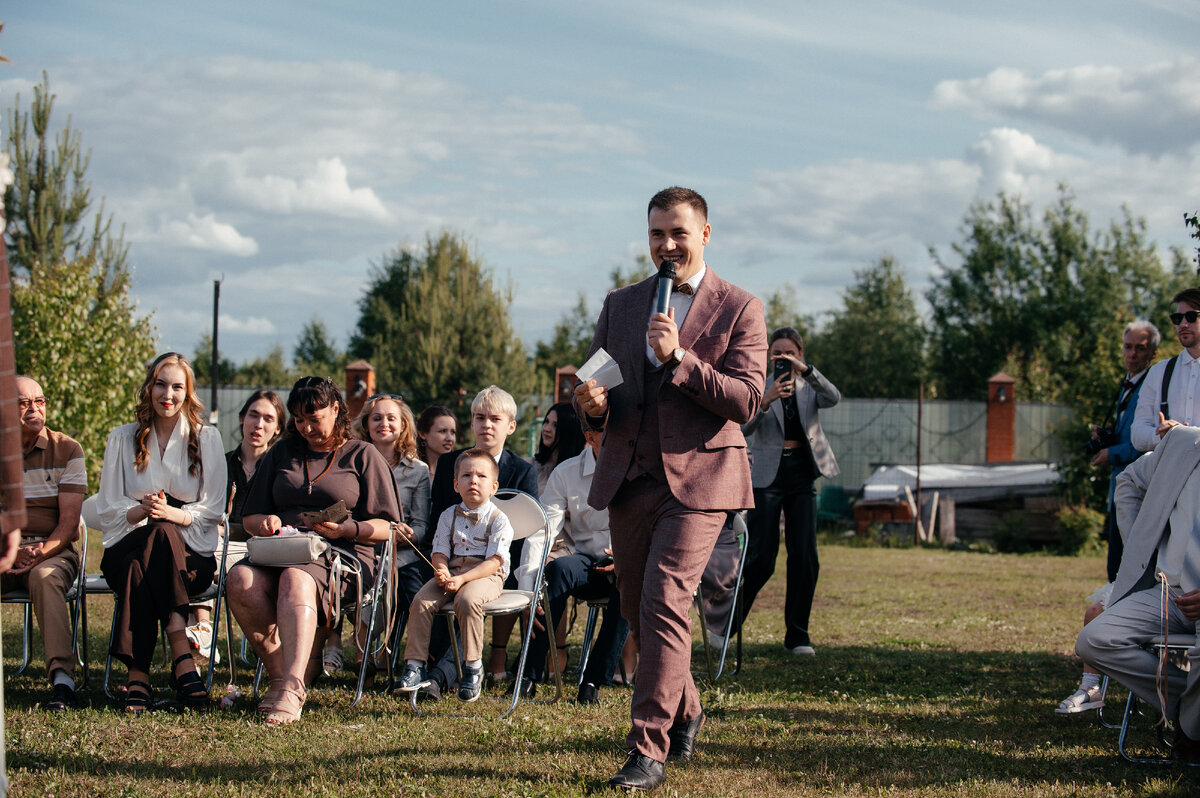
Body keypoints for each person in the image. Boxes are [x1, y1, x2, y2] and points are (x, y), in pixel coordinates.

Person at [574, 186, 767, 790]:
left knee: (662, 599)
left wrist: (680, 356)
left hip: (702, 478)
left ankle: (647, 749)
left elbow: (747, 399)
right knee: (636, 607)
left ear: (705, 233)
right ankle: (688, 709)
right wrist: (591, 404)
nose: (667, 245)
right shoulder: (621, 304)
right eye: (657, 233)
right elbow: (597, 384)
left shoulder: (740, 306)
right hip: (631, 476)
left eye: (678, 233)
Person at [226, 376, 402, 725]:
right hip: (282, 549)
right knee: (240, 578)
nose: (306, 427)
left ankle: (291, 686)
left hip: (344, 555)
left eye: (314, 418)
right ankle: (284, 677)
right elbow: (249, 517)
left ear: (336, 410)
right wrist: (265, 523)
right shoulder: (282, 452)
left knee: (296, 578)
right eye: (299, 419)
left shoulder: (361, 455)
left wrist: (349, 528)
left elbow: (388, 527)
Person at [96, 353, 227, 712]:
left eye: (177, 386)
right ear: (148, 387)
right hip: (130, 540)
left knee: (150, 552)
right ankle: (181, 655)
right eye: (160, 384)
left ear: (188, 393)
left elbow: (213, 506)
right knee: (153, 536)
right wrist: (139, 510)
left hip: (190, 556)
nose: (167, 394)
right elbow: (107, 504)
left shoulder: (206, 438)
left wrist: (174, 514)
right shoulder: (122, 438)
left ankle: (138, 673)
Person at [1076, 424, 1200, 761]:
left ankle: (1191, 733)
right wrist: (1140, 547)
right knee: (1094, 639)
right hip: (1168, 594)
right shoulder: (1182, 440)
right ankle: (1192, 710)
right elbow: (1128, 481)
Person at [1057, 321, 1158, 713]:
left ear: (1152, 351)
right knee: (1114, 576)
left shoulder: (1153, 384)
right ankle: (1101, 678)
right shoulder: (1128, 382)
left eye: (1140, 348)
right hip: (1122, 494)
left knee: (1125, 583)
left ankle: (1108, 677)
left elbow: (1145, 442)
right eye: (1128, 347)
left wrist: (1112, 452)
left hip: (1142, 498)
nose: (1132, 354)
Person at [424, 385, 537, 697]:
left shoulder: (523, 472)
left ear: (510, 426)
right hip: (450, 557)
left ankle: (439, 676)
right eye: (479, 417)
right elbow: (439, 521)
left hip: (498, 565)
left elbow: (526, 532)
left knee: (466, 595)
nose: (486, 424)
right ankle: (420, 664)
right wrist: (442, 565)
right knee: (423, 587)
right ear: (471, 423)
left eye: (495, 419)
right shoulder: (449, 464)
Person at [739, 326, 840, 656]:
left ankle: (797, 636)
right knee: (761, 558)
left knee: (805, 556)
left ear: (800, 355)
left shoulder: (811, 385)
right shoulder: (759, 386)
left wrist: (806, 372)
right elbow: (742, 428)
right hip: (768, 475)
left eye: (789, 353)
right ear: (769, 356)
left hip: (802, 473)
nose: (782, 357)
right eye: (777, 353)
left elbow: (833, 397)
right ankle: (726, 625)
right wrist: (765, 401)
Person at [515, 423, 629, 704]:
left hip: (628, 561)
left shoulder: (637, 465)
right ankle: (528, 676)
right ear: (590, 437)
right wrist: (528, 590)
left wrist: (625, 557)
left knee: (630, 585)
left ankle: (591, 682)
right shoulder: (566, 472)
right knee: (557, 570)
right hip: (587, 561)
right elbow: (542, 531)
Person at [396, 448, 514, 702]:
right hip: (453, 570)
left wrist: (462, 580)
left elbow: (495, 561)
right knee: (421, 601)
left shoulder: (499, 519)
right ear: (455, 484)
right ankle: (415, 664)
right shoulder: (448, 516)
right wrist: (442, 570)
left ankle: (472, 665)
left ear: (493, 486)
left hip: (485, 574)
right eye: (467, 475)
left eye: (481, 476)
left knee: (467, 600)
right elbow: (439, 551)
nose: (473, 480)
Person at [324, 392, 427, 672]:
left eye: (391, 418)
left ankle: (373, 653)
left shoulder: (418, 472)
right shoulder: (349, 462)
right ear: (366, 424)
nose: (384, 423)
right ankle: (358, 653)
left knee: (388, 576)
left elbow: (421, 526)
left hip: (400, 552)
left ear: (403, 425)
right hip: (356, 545)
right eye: (376, 418)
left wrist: (408, 535)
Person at [0, 377, 86, 710]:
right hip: (6, 549)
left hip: (53, 551)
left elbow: (68, 523)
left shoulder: (68, 449)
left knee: (44, 577)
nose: (34, 409)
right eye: (23, 403)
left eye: (40, 401)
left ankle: (63, 681)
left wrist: (36, 553)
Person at [186, 389, 286, 664]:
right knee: (191, 551)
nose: (259, 424)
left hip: (260, 551)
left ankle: (203, 632)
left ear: (277, 429)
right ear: (242, 419)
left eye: (268, 418)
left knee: (205, 551)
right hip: (215, 543)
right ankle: (203, 629)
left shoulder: (282, 471)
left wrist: (229, 529)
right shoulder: (219, 463)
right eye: (253, 415)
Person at [1131, 288, 1200, 453]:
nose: (1183, 324)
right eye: (1177, 318)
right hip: (1172, 475)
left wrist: (1186, 435)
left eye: (1191, 317)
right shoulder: (1158, 373)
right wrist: (1161, 435)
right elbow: (1137, 434)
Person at [530, 402, 586, 494]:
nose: (547, 428)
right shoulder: (528, 466)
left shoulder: (580, 472)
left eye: (555, 425)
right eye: (547, 421)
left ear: (569, 431)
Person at [416, 405, 457, 484]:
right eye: (443, 431)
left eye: (453, 432)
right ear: (423, 434)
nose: (450, 438)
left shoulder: (460, 472)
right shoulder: (410, 471)